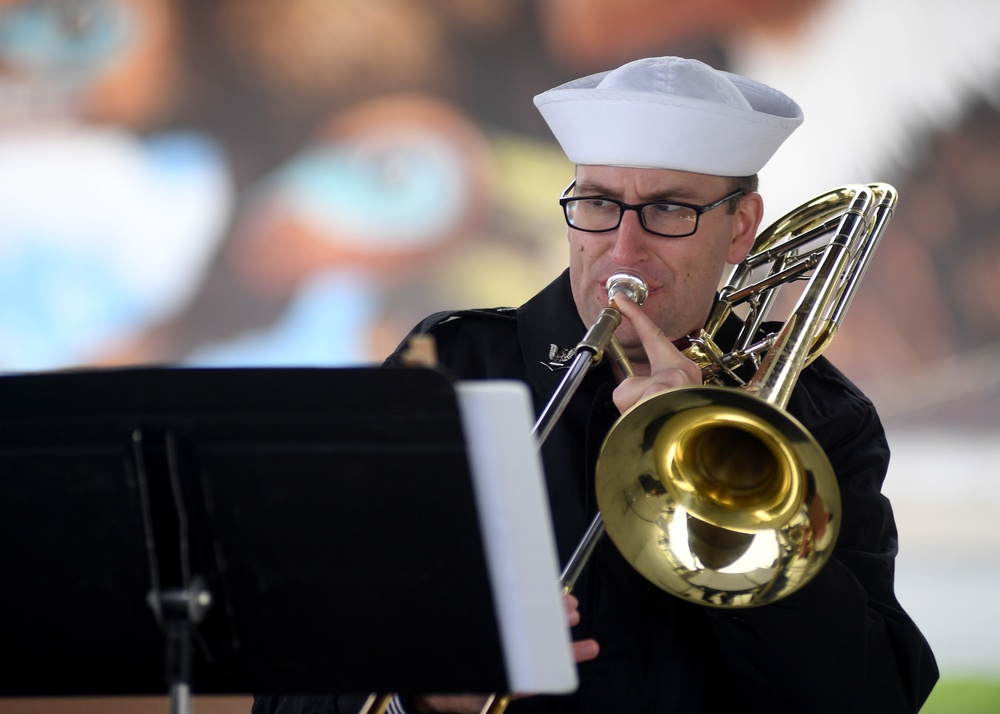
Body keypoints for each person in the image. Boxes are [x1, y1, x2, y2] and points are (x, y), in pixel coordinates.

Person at [253, 56, 939, 714]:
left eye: (670, 210)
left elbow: (873, 696)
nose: (623, 249)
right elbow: (293, 681)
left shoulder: (820, 415)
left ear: (741, 229)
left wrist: (718, 485)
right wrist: (424, 695)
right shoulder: (454, 366)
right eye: (599, 203)